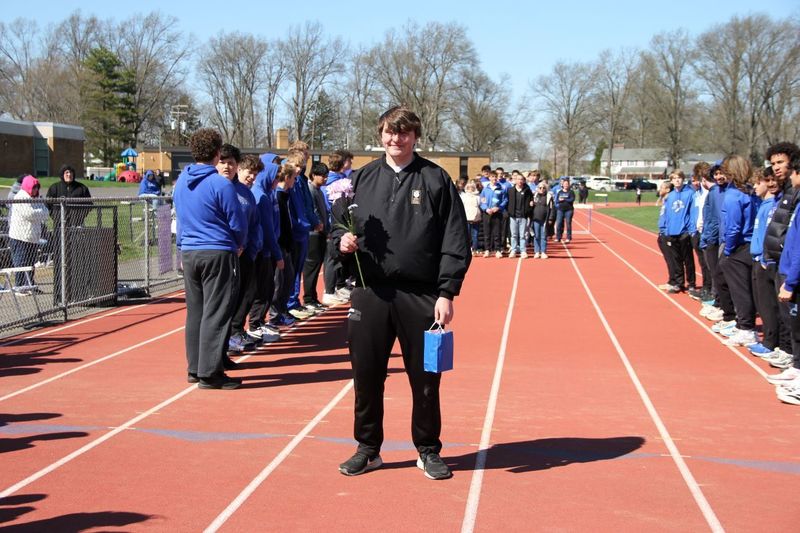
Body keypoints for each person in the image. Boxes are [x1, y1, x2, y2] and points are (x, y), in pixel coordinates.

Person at [333, 106, 471, 480]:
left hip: (422, 295)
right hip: (369, 293)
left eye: (404, 133)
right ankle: (368, 448)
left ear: (415, 136)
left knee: (426, 378)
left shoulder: (436, 180)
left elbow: (455, 239)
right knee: (367, 375)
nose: (396, 139)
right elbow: (335, 229)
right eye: (390, 133)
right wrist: (341, 242)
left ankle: (427, 450)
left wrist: (447, 292)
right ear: (380, 135)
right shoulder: (359, 180)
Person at [173, 129, 246, 390]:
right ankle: (210, 373)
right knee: (216, 313)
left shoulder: (181, 181)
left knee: (196, 312)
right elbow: (236, 221)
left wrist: (181, 247)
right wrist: (239, 243)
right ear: (217, 153)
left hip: (190, 252)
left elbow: (180, 218)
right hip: (217, 251)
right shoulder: (220, 184)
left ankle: (195, 368)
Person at [718, 156, 758, 347]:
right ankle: (744, 325)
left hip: (739, 247)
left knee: (739, 291)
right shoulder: (751, 192)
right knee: (746, 289)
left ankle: (746, 329)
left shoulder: (733, 195)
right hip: (751, 245)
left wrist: (728, 251)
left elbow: (733, 227)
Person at [45, 164, 92, 305]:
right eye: (66, 173)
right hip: (60, 227)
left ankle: (78, 288)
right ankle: (60, 290)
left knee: (77, 256)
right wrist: (56, 217)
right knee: (61, 257)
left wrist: (79, 218)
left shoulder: (81, 188)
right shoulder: (54, 188)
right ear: (62, 174)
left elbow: (89, 204)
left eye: (71, 173)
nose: (69, 175)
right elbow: (48, 204)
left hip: (77, 227)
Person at [8, 175, 48, 291]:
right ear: (28, 187)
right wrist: (39, 213)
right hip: (20, 237)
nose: (36, 190)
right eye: (34, 187)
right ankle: (20, 287)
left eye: (37, 187)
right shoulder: (20, 196)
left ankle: (30, 284)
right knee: (21, 262)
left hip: (33, 236)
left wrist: (38, 212)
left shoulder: (36, 198)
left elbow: (45, 213)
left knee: (31, 263)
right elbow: (29, 214)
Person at [303, 162, 331, 311]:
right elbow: (313, 210)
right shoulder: (310, 189)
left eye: (327, 176)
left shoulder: (319, 190)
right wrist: (319, 225)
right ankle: (308, 298)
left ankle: (312, 297)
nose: (325, 179)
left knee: (316, 265)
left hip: (321, 232)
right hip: (313, 234)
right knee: (311, 267)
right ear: (313, 175)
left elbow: (324, 211)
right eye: (322, 176)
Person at [479, 170, 507, 257]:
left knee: (497, 232)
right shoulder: (485, 189)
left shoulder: (501, 188)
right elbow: (482, 201)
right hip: (487, 213)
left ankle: (497, 250)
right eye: (492, 177)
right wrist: (486, 209)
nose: (494, 178)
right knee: (487, 232)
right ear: (489, 178)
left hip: (497, 212)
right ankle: (487, 249)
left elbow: (505, 200)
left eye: (495, 177)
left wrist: (499, 207)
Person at [507, 171, 533, 258]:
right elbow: (507, 202)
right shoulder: (510, 190)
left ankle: (523, 251)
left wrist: (528, 211)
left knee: (522, 235)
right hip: (513, 216)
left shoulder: (527, 191)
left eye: (522, 179)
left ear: (524, 181)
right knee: (513, 235)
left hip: (523, 216)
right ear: (515, 180)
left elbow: (531, 202)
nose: (520, 181)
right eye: (518, 179)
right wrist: (509, 212)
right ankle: (513, 250)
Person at [531, 181, 555, 259]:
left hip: (545, 220)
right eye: (540, 187)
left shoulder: (549, 197)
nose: (542, 189)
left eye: (543, 188)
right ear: (537, 188)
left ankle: (543, 252)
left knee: (543, 236)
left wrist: (551, 218)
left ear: (546, 189)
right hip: (535, 219)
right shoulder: (534, 196)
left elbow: (552, 209)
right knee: (536, 236)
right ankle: (537, 252)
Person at [460, 179, 482, 255]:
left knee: (475, 234)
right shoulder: (463, 196)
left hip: (476, 217)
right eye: (468, 187)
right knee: (467, 234)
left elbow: (479, 204)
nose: (470, 189)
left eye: (472, 187)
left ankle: (474, 248)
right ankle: (467, 248)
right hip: (467, 217)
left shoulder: (477, 196)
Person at [554, 177, 575, 243]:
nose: (565, 185)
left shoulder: (571, 192)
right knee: (559, 223)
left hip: (569, 210)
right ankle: (558, 237)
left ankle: (568, 237)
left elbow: (572, 199)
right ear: (562, 184)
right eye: (564, 184)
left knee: (568, 223)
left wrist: (564, 199)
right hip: (560, 209)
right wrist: (559, 200)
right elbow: (557, 200)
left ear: (569, 185)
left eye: (567, 184)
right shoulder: (560, 192)